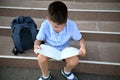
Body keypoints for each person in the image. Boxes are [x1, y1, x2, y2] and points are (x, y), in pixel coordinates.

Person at [34, 1, 86, 80]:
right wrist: (36, 46)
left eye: (63, 26)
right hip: (50, 48)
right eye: (56, 26)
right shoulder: (45, 25)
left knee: (75, 60)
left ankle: (66, 72)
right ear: (48, 19)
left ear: (66, 18)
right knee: (40, 58)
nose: (60, 29)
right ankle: (46, 76)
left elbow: (80, 39)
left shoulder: (71, 25)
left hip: (65, 49)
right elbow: (37, 40)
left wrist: (83, 47)